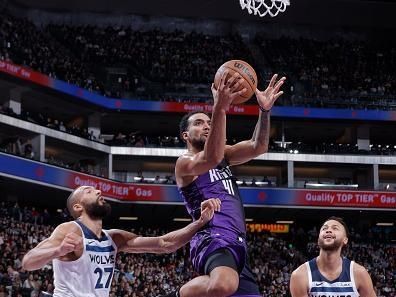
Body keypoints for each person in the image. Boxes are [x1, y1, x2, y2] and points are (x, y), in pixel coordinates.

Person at [160, 71, 286, 297]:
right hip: (212, 237)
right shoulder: (184, 163)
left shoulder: (224, 155)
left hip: (238, 242)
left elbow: (259, 146)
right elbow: (210, 158)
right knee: (223, 285)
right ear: (185, 135)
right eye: (199, 123)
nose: (207, 126)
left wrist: (264, 111)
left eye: (209, 122)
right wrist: (219, 108)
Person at [22, 185, 221, 297]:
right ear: (77, 207)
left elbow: (165, 244)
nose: (99, 191)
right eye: (89, 191)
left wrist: (200, 222)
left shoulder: (114, 237)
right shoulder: (69, 230)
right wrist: (56, 251)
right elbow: (28, 262)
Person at [290, 216, 377, 297]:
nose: (328, 230)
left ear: (345, 240)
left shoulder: (359, 273)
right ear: (318, 239)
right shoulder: (300, 275)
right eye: (324, 228)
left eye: (335, 228)